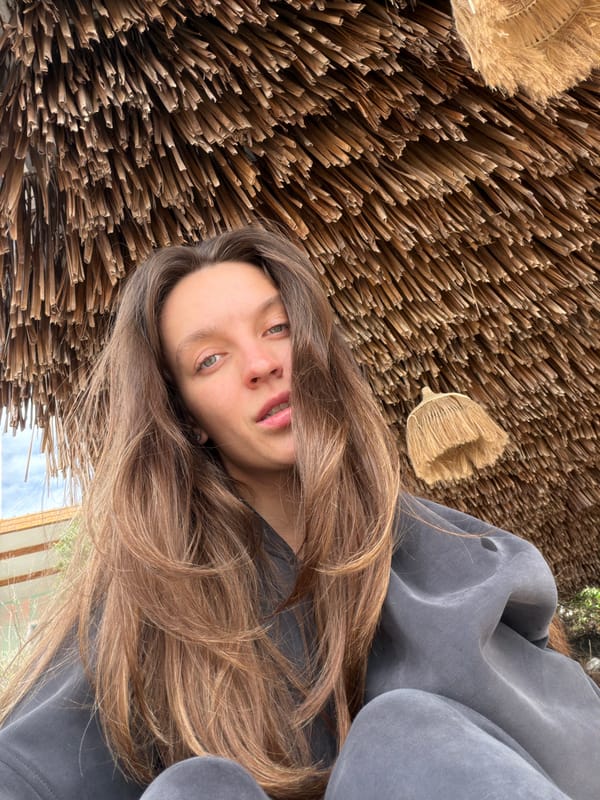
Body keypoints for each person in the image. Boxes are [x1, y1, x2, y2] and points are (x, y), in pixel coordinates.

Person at [0, 225, 598, 800]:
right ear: (186, 419)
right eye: (209, 359)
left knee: (403, 738)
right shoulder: (141, 614)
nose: (260, 364)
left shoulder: (458, 558)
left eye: (278, 328)